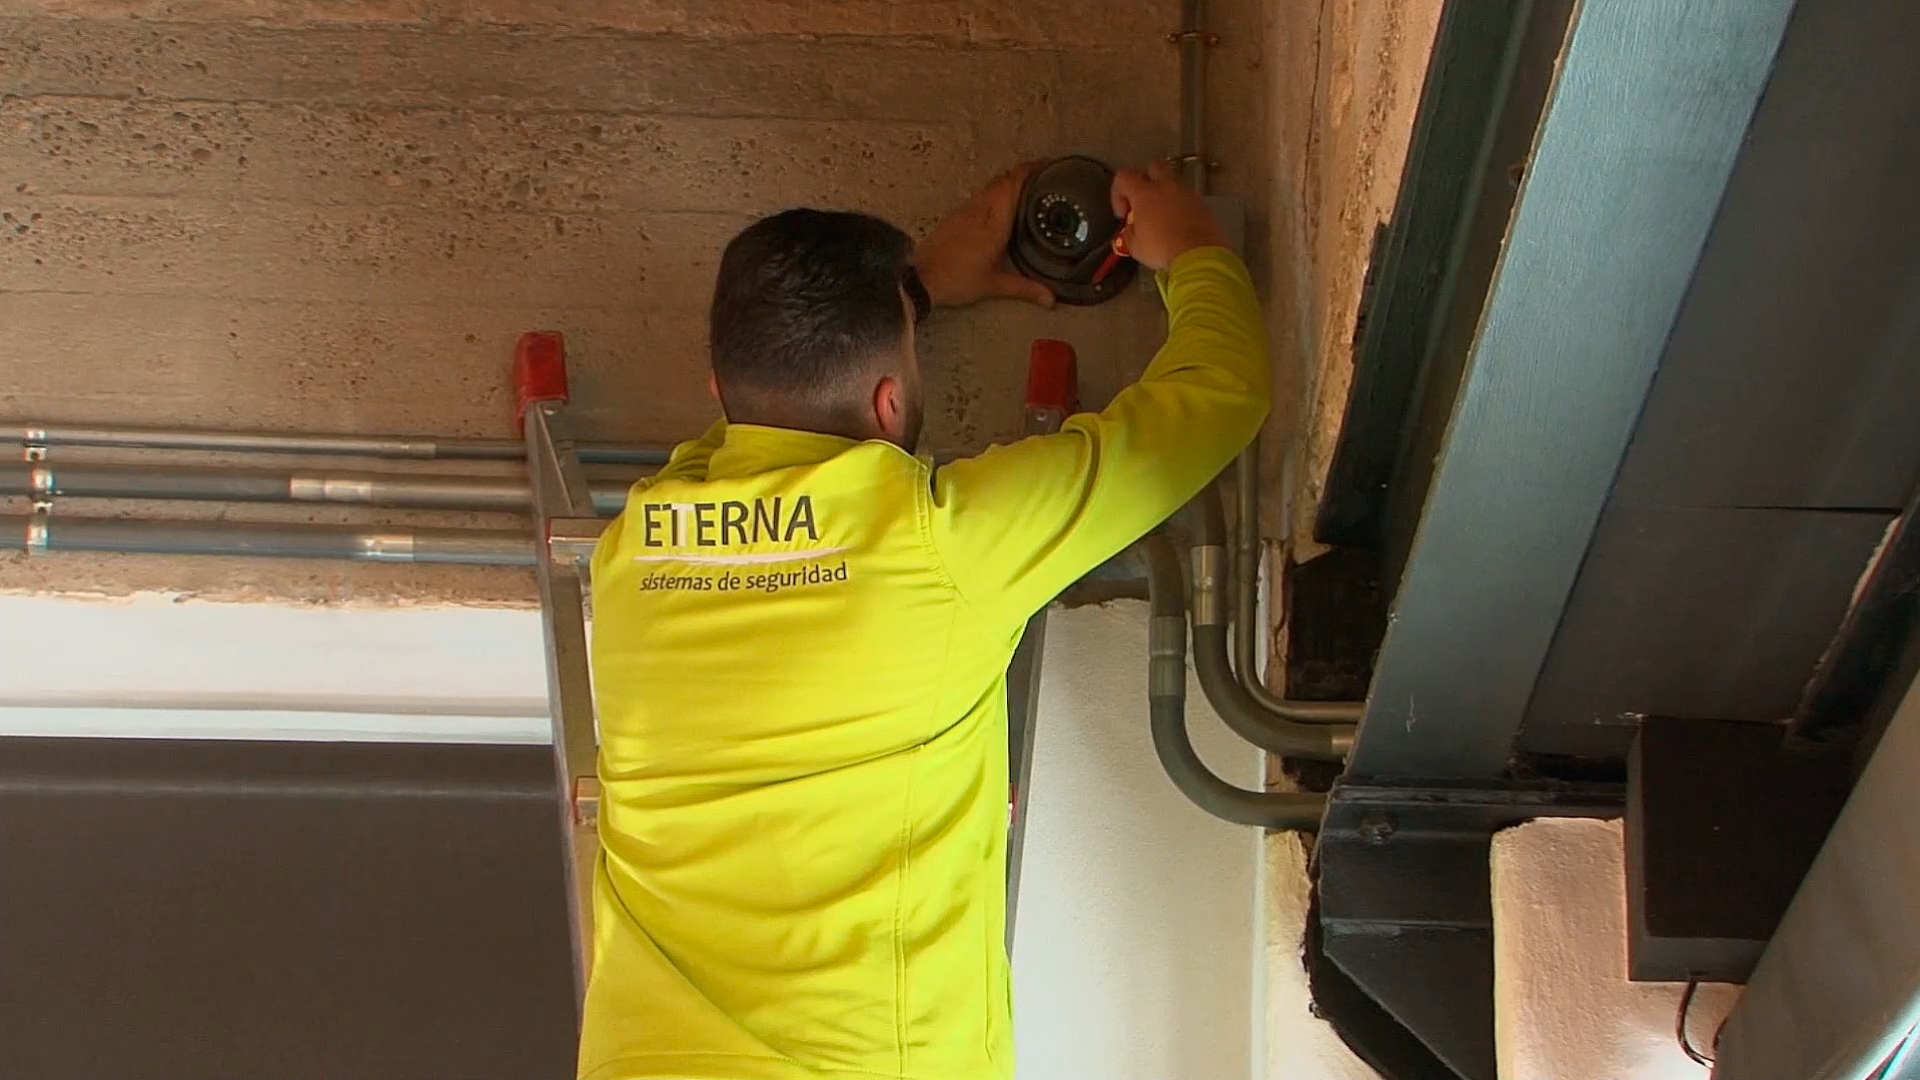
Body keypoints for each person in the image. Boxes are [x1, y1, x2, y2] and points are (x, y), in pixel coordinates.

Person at [582, 159, 1269, 1080]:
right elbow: (1219, 393)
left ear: (716, 389)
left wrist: (911, 294)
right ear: (889, 402)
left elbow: (765, 415)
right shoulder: (940, 544)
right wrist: (1194, 249)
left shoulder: (633, 552)